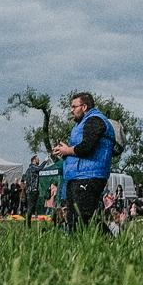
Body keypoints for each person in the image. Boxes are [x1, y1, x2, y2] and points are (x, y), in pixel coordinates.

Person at [50, 93, 117, 232]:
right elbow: (80, 152)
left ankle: (109, 241)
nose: (71, 110)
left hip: (90, 175)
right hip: (78, 176)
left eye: (74, 107)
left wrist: (68, 150)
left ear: (84, 107)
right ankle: (81, 246)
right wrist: (65, 153)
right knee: (75, 218)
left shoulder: (95, 120)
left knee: (85, 216)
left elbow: (86, 147)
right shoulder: (83, 123)